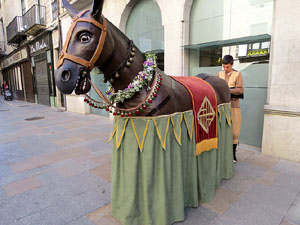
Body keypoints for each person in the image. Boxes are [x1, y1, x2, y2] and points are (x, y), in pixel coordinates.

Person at [217, 55, 244, 163]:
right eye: (223, 66)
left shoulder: (237, 74)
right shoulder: (219, 74)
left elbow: (240, 90)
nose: (225, 69)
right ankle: (222, 153)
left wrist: (226, 89)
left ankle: (233, 155)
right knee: (222, 129)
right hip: (221, 106)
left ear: (232, 64)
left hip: (234, 106)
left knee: (234, 131)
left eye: (227, 67)